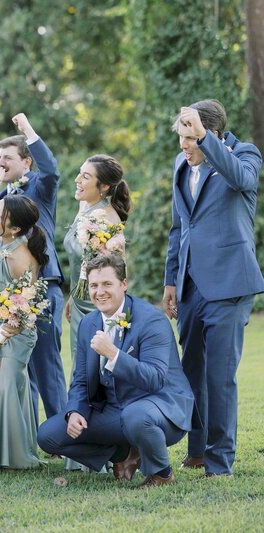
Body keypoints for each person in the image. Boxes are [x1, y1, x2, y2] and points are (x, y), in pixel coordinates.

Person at [163, 101, 263, 476]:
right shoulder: (180, 164)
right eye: (182, 138)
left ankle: (220, 461)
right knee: (192, 371)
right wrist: (172, 280)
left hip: (230, 283)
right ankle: (198, 450)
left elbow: (243, 180)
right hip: (190, 285)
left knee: (220, 376)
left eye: (191, 138)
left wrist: (205, 141)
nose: (185, 146)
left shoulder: (244, 154)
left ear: (214, 134)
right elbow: (179, 228)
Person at [38, 255, 196, 488]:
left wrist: (114, 355)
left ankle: (162, 474)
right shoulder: (88, 323)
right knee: (48, 435)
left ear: (124, 284)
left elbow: (155, 379)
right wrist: (75, 411)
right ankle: (123, 455)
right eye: (94, 285)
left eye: (107, 284)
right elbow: (80, 379)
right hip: (114, 409)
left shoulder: (152, 320)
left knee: (136, 417)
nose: (99, 292)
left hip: (160, 406)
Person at [0, 113, 67, 427]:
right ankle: (29, 435)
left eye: (7, 157)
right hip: (9, 297)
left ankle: (61, 434)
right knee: (21, 368)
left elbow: (52, 169)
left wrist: (28, 129)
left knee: (47, 366)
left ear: (26, 162)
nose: (0, 162)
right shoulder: (4, 198)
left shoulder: (41, 188)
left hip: (42, 289)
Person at [62, 154, 131, 471]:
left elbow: (108, 268)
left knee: (97, 373)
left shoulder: (105, 217)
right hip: (81, 301)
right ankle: (86, 447)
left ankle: (114, 451)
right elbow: (82, 264)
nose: (78, 179)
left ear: (103, 187)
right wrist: (73, 296)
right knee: (83, 371)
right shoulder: (88, 210)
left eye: (85, 176)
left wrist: (88, 297)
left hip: (98, 305)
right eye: (79, 173)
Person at [0, 195, 47, 469]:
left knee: (7, 383)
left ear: (15, 228)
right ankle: (1, 445)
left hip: (15, 330)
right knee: (0, 383)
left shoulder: (20, 256)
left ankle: (13, 454)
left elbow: (26, 304)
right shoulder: (0, 245)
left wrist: (10, 328)